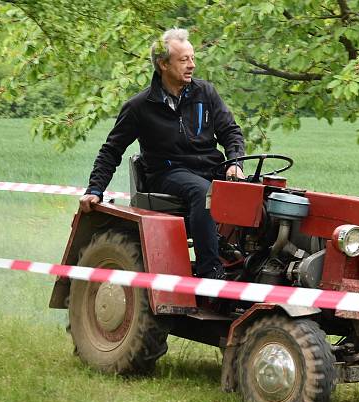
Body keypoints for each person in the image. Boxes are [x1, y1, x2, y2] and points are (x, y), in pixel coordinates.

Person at [79, 28, 244, 280]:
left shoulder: (206, 93)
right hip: (168, 173)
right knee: (204, 193)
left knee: (257, 191)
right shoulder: (139, 107)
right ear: (163, 64)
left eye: (192, 58)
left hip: (209, 168)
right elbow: (111, 151)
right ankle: (211, 275)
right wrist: (94, 190)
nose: (192, 65)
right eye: (184, 60)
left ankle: (248, 262)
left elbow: (231, 132)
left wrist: (235, 163)